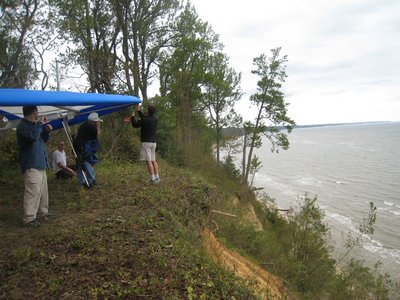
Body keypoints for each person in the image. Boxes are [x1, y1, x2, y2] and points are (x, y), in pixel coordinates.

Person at [16, 106, 53, 227]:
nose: (38, 114)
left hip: (40, 162)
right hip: (31, 164)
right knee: (33, 191)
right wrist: (39, 125)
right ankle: (29, 218)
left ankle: (43, 213)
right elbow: (32, 137)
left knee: (43, 191)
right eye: (37, 112)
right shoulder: (23, 126)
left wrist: (46, 130)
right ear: (33, 112)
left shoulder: (35, 126)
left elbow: (42, 140)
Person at [126, 104, 160, 184]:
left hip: (146, 143)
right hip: (153, 142)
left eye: (146, 109)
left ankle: (152, 178)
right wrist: (138, 110)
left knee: (148, 161)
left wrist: (132, 117)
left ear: (148, 111)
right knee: (153, 160)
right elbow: (144, 118)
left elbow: (135, 125)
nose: (145, 110)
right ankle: (157, 177)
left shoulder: (145, 120)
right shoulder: (155, 119)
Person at [73, 112, 102, 187]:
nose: (97, 123)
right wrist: (98, 126)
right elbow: (97, 134)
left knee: (79, 164)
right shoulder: (91, 126)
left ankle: (82, 182)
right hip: (83, 148)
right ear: (94, 121)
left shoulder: (84, 125)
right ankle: (91, 180)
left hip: (78, 147)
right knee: (87, 162)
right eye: (96, 122)